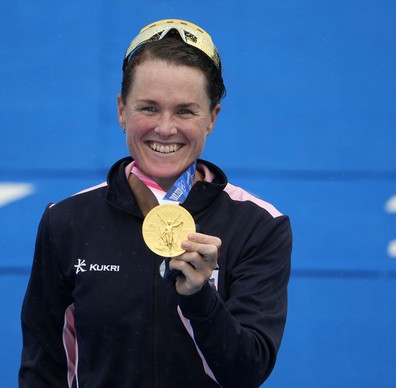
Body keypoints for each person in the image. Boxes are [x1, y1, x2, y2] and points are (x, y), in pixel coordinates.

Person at [19, 19, 292, 388]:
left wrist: (201, 300)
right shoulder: (66, 221)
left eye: (185, 111)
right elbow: (42, 367)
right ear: (121, 110)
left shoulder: (259, 225)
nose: (165, 128)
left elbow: (247, 372)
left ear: (212, 118)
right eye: (148, 108)